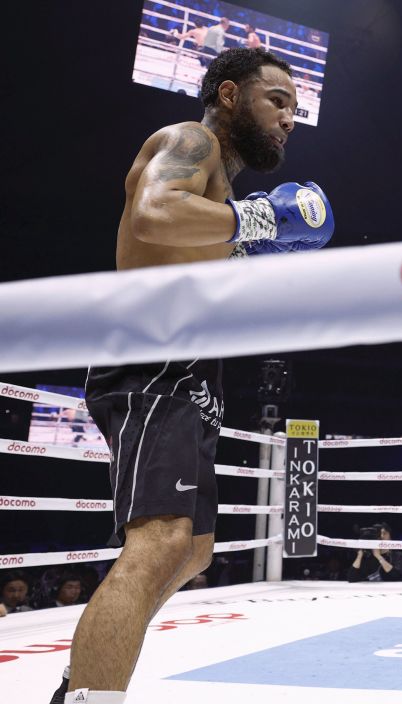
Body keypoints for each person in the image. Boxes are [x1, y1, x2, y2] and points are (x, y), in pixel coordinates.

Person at [50, 47, 334, 704]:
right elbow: (152, 214)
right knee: (162, 539)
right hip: (153, 352)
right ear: (230, 95)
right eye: (279, 101)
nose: (290, 120)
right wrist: (266, 221)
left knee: (194, 549)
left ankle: (81, 678)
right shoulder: (189, 140)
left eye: (295, 108)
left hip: (196, 367)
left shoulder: (224, 197)